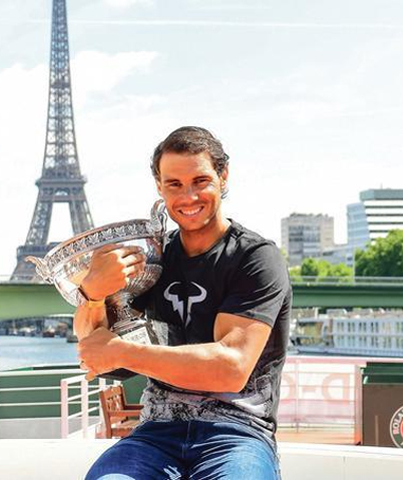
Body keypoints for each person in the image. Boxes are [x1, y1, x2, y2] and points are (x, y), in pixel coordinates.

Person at [75, 126, 291, 480]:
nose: (188, 196)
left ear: (223, 177)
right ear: (159, 187)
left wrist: (122, 353)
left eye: (200, 180)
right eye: (174, 184)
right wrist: (92, 294)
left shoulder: (255, 258)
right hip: (155, 433)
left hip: (237, 433)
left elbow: (231, 369)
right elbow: (93, 346)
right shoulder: (153, 259)